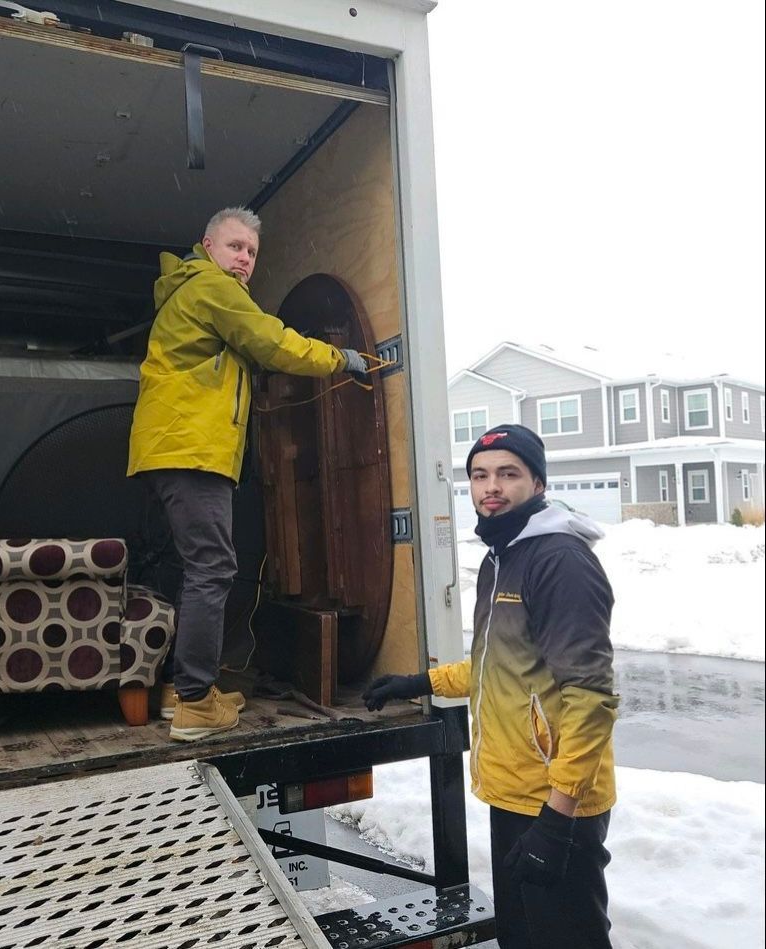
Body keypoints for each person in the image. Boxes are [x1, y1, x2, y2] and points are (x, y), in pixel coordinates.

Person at [363, 424, 619, 949]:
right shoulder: (503, 556)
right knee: (522, 938)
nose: (491, 487)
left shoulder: (559, 561)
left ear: (538, 483)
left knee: (568, 939)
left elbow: (591, 699)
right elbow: (495, 664)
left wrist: (558, 817)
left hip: (554, 799)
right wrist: (421, 681)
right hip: (514, 792)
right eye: (480, 476)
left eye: (508, 473)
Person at [128, 206, 367, 742]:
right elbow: (272, 341)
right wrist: (340, 358)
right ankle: (194, 704)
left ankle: (180, 688)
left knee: (188, 569)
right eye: (236, 246)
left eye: (252, 252)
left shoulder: (189, 290)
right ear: (207, 246)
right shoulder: (211, 287)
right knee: (212, 569)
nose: (245, 259)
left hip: (171, 447)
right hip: (191, 449)